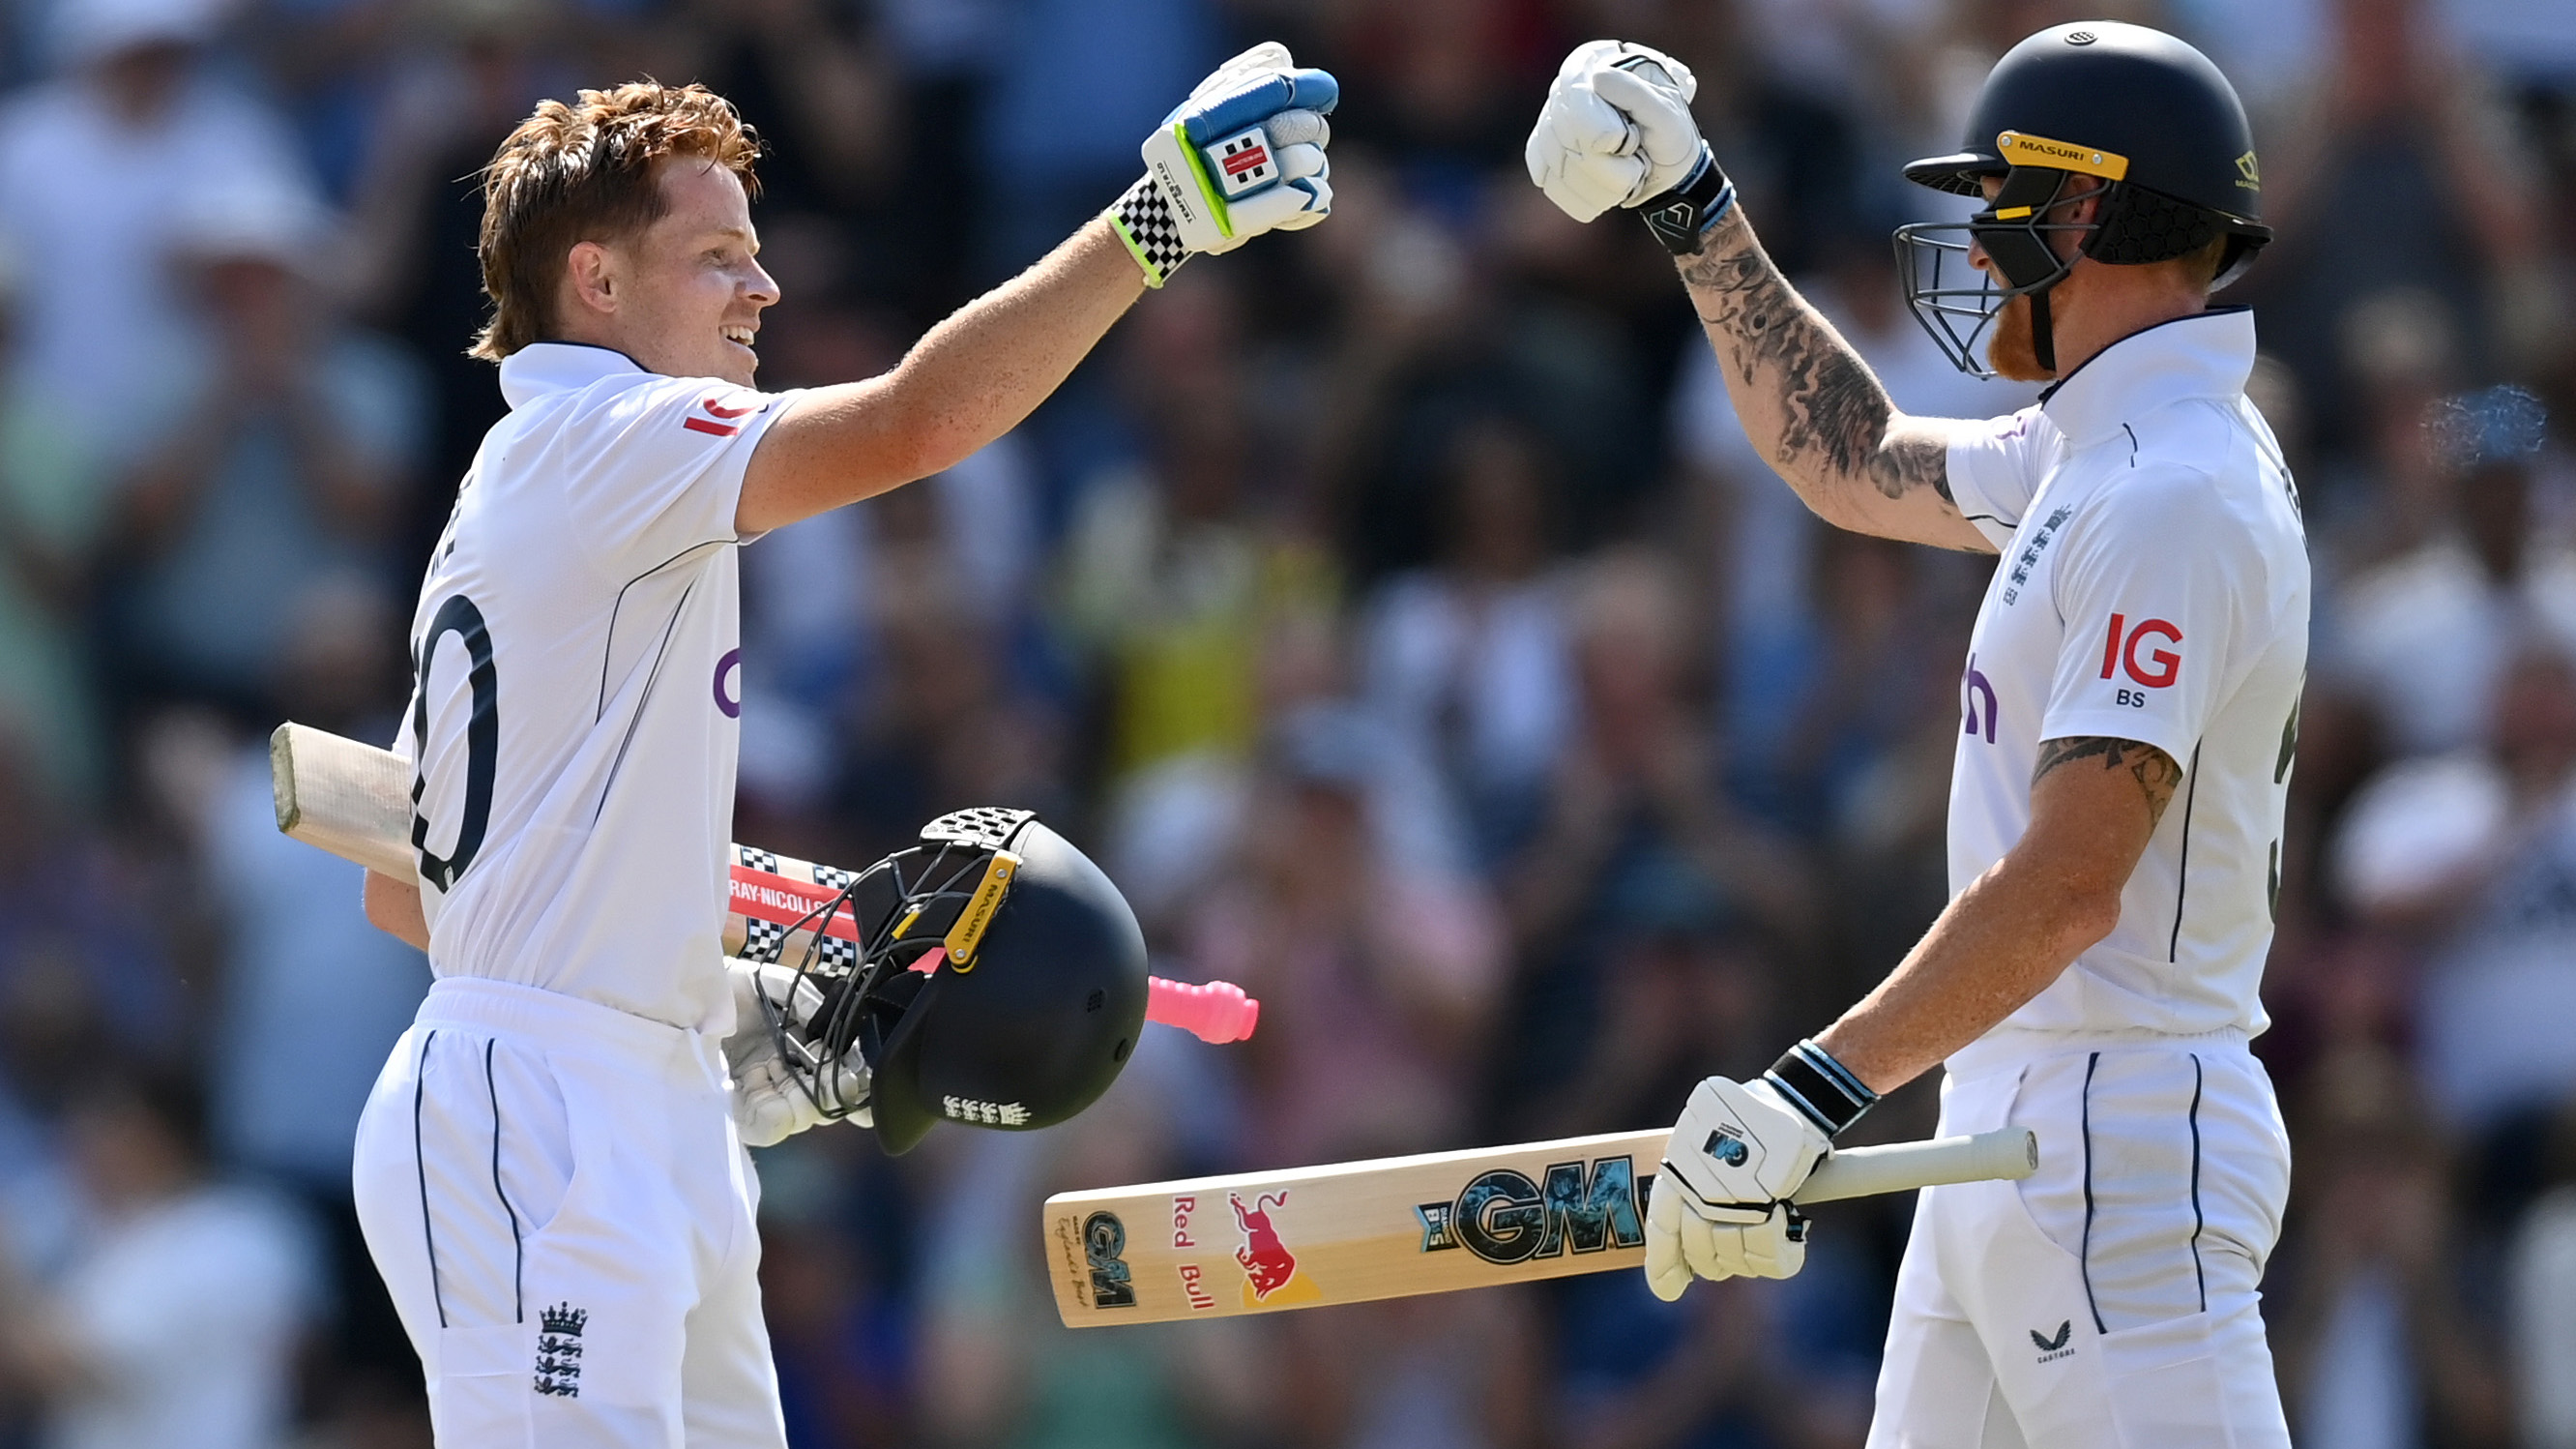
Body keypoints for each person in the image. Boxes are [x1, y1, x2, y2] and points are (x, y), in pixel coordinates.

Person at [349, 53, 1335, 1446]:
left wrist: (720, 1002)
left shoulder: (541, 490)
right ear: (597, 281)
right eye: (717, 257)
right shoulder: (608, 440)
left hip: (633, 1097)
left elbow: (405, 889)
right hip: (549, 1109)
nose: (762, 289)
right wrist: (1159, 218)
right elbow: (921, 422)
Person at [1528, 21, 2306, 1447]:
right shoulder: (2099, 449)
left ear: (2084, 210)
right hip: (2021, 1120)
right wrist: (1695, 203)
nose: (1979, 249)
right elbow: (1851, 454)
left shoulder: (2172, 491)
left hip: (2118, 1139)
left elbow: (2070, 885)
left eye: (1997, 206)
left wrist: (1809, 1093)